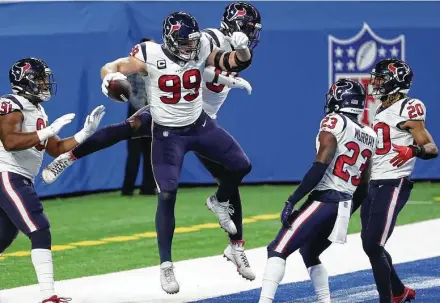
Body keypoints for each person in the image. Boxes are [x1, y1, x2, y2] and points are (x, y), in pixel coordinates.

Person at [259, 79, 377, 303]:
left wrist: (293, 200)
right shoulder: (370, 134)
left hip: (326, 197)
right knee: (310, 252)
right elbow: (363, 187)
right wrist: (346, 211)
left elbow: (321, 165)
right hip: (345, 203)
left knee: (277, 249)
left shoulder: (335, 121)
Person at [0, 58, 104, 303]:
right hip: (7, 173)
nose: (45, 83)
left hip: (19, 176)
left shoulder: (37, 110)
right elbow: (10, 141)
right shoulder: (11, 103)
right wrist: (45, 131)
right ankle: (49, 295)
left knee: (2, 238)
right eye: (39, 79)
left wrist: (84, 133)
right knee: (39, 229)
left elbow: (56, 148)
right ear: (24, 82)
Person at [361, 58, 437, 303]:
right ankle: (399, 291)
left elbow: (431, 147)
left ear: (395, 82)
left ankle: (389, 299)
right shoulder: (382, 110)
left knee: (373, 244)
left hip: (394, 182)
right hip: (374, 183)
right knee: (370, 244)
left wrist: (412, 151)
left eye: (381, 79)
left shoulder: (409, 107)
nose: (376, 83)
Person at [122, 39, 156, 196]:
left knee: (151, 152)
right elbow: (128, 92)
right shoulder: (132, 67)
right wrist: (142, 108)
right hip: (136, 114)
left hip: (153, 113)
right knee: (134, 153)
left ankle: (148, 187)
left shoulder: (158, 66)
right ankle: (128, 189)